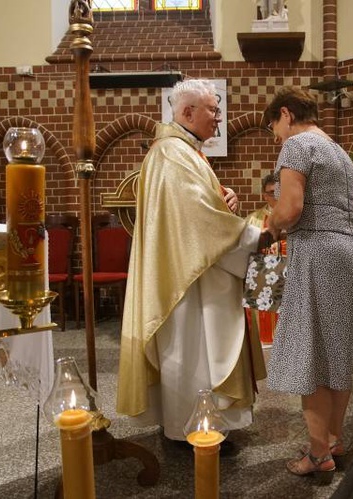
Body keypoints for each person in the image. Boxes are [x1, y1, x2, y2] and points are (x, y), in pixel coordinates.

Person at [116, 79, 267, 443]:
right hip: (188, 278)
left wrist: (224, 198)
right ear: (187, 112)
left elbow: (201, 208)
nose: (219, 119)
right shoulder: (172, 153)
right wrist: (255, 230)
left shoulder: (184, 151)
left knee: (199, 348)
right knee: (193, 349)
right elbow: (198, 221)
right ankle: (192, 429)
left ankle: (201, 424)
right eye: (213, 110)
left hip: (196, 268)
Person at [263, 86, 353, 483]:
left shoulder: (297, 145)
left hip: (319, 252)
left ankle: (317, 453)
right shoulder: (336, 149)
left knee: (311, 352)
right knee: (335, 351)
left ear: (286, 114)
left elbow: (290, 209)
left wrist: (269, 226)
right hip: (348, 249)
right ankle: (333, 440)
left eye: (274, 126)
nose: (276, 136)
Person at [244, 172, 286, 347]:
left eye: (279, 192)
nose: (275, 197)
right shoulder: (253, 220)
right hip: (263, 282)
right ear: (264, 195)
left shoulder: (291, 216)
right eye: (271, 193)